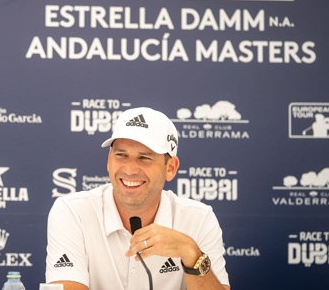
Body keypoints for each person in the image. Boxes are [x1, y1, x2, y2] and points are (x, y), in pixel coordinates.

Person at [45, 107, 230, 290]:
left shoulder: (199, 218)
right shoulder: (73, 211)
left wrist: (191, 253)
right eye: (121, 155)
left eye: (144, 158)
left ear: (170, 168)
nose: (130, 170)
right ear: (109, 160)